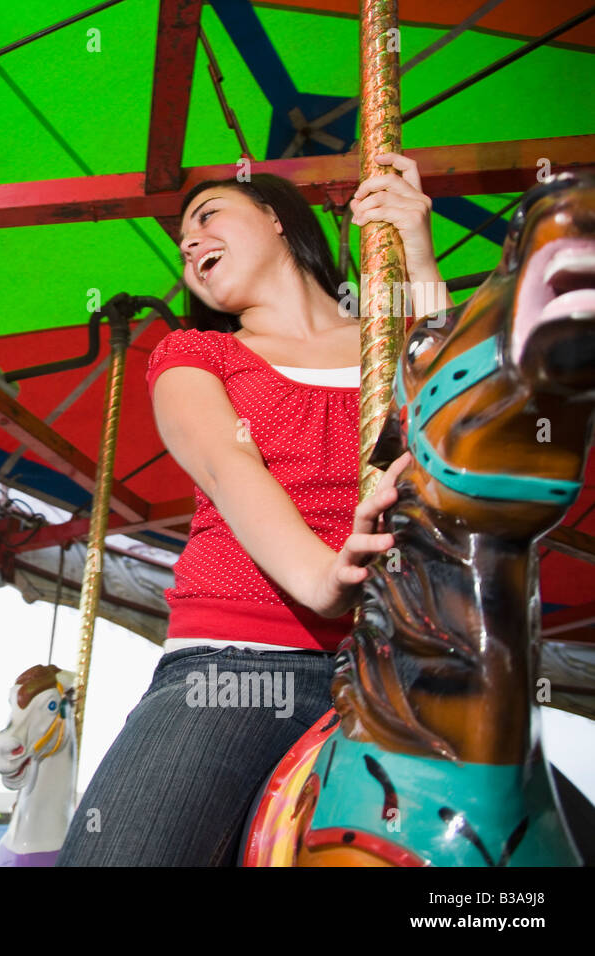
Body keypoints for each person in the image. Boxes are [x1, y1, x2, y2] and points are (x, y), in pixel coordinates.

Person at [57, 154, 439, 866]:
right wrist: (321, 579)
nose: (189, 243)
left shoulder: (394, 339)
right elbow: (231, 471)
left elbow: (463, 422)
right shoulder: (197, 355)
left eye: (207, 217)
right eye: (181, 243)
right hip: (241, 662)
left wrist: (416, 248)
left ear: (275, 216)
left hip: (400, 661)